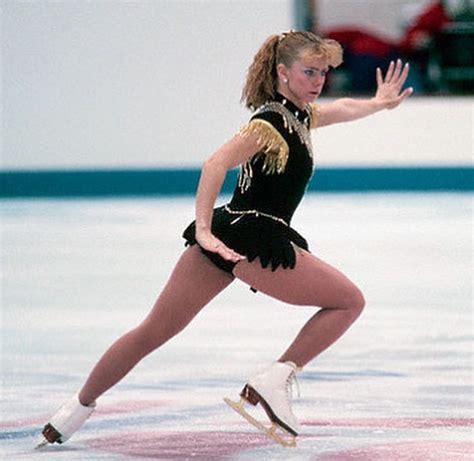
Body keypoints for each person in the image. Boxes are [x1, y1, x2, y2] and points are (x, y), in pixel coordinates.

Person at [38, 30, 412, 448]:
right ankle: (276, 376)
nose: (318, 81)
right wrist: (200, 228)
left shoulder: (300, 116)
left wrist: (378, 105)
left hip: (227, 232)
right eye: (309, 72)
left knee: (154, 330)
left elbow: (339, 109)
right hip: (253, 236)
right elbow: (215, 162)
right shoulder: (268, 122)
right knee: (349, 301)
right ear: (282, 72)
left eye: (323, 72)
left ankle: (73, 411)